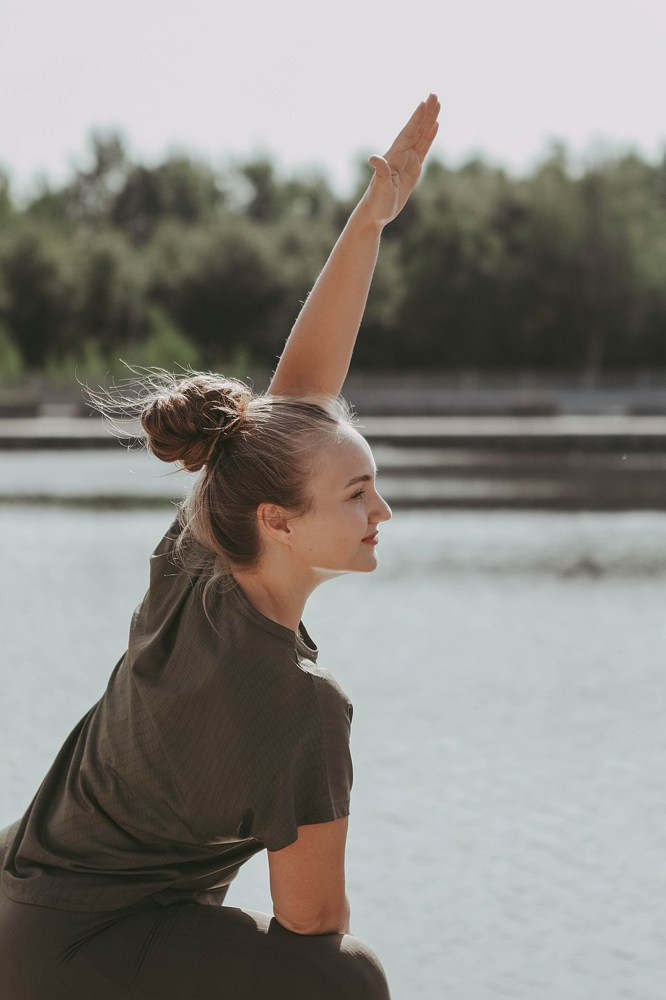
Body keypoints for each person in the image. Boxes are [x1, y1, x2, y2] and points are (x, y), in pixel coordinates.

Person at [0, 94, 440, 1000]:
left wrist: (370, 223)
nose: (383, 511)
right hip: (71, 952)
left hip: (18, 896)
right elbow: (313, 925)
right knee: (346, 980)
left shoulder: (199, 556)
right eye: (357, 493)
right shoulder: (303, 704)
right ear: (278, 520)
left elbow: (293, 407)